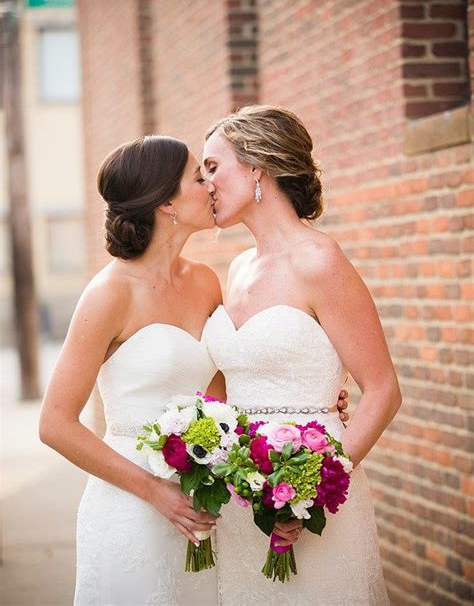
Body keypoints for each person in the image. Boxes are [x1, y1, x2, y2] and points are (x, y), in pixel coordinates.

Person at [38, 132, 352, 604]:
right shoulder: (109, 294)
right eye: (196, 175)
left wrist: (312, 394)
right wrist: (153, 491)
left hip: (203, 502)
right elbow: (55, 424)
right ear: (166, 201)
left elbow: (225, 387)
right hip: (132, 501)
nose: (209, 184)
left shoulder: (205, 282)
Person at [201, 105, 402, 604]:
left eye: (212, 167)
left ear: (256, 167)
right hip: (238, 496)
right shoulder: (239, 266)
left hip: (311, 498)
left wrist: (313, 488)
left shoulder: (320, 260)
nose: (204, 183)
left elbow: (382, 391)